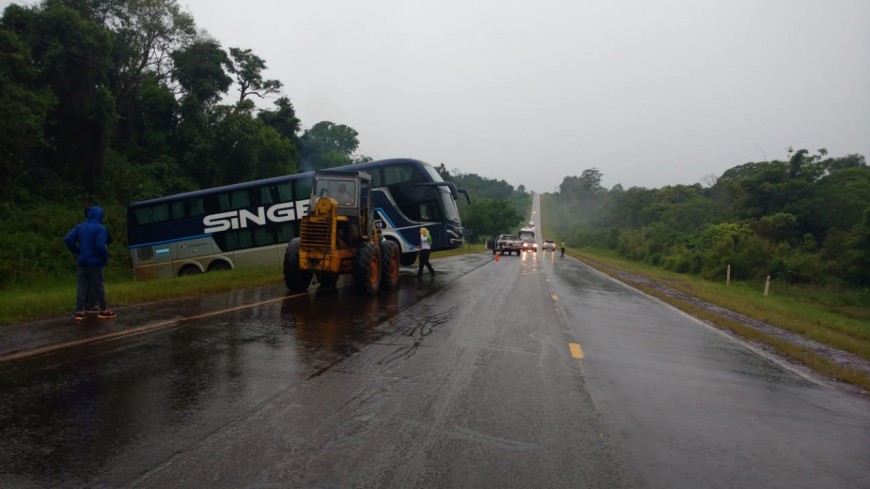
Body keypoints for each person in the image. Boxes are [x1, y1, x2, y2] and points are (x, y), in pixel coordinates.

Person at [64, 205, 117, 320]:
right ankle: (104, 310)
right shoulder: (100, 228)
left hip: (82, 261)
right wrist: (104, 258)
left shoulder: (80, 227)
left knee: (81, 286)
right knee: (99, 286)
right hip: (96, 262)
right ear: (100, 215)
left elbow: (68, 239)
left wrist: (77, 251)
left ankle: (80, 311)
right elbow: (100, 246)